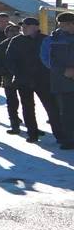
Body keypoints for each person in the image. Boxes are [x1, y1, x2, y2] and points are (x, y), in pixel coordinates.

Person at [7, 17, 58, 143]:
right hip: (23, 80)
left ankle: (60, 134)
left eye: (26, 26)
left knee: (52, 107)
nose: (23, 28)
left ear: (35, 27)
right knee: (28, 107)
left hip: (43, 79)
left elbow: (54, 58)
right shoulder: (16, 40)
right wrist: (17, 73)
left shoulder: (46, 40)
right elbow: (9, 59)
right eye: (22, 26)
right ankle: (32, 133)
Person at [40, 12, 74, 149]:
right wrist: (64, 71)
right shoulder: (52, 39)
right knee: (67, 112)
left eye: (63, 24)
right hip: (62, 81)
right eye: (60, 24)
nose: (60, 27)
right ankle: (69, 140)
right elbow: (46, 59)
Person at [0, 23, 23, 134]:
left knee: (27, 102)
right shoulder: (1, 46)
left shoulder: (24, 43)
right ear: (6, 34)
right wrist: (5, 73)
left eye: (16, 31)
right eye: (11, 31)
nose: (14, 33)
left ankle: (32, 126)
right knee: (12, 101)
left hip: (24, 76)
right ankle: (14, 123)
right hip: (8, 77)